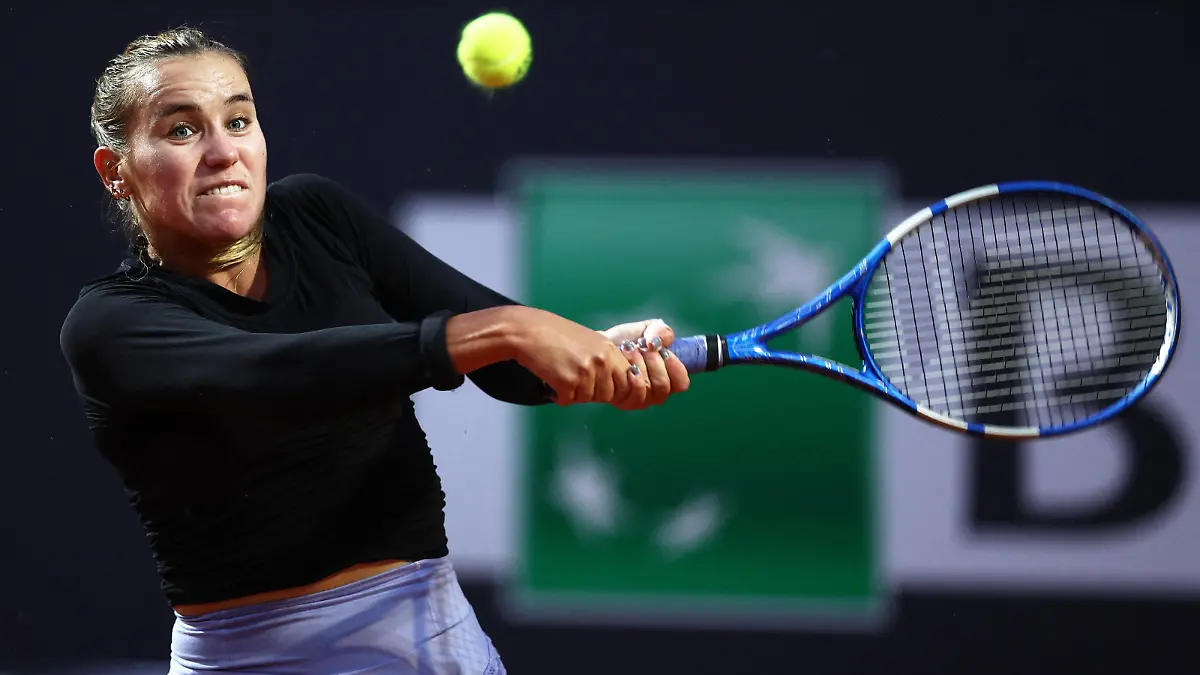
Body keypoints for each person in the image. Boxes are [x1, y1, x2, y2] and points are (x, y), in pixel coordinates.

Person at [60, 27, 689, 675]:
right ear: (116, 171)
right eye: (182, 131)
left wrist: (594, 358)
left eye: (239, 120)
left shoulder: (317, 216)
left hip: (426, 644)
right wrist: (509, 330)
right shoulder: (110, 324)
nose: (224, 152)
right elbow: (279, 376)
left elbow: (513, 368)